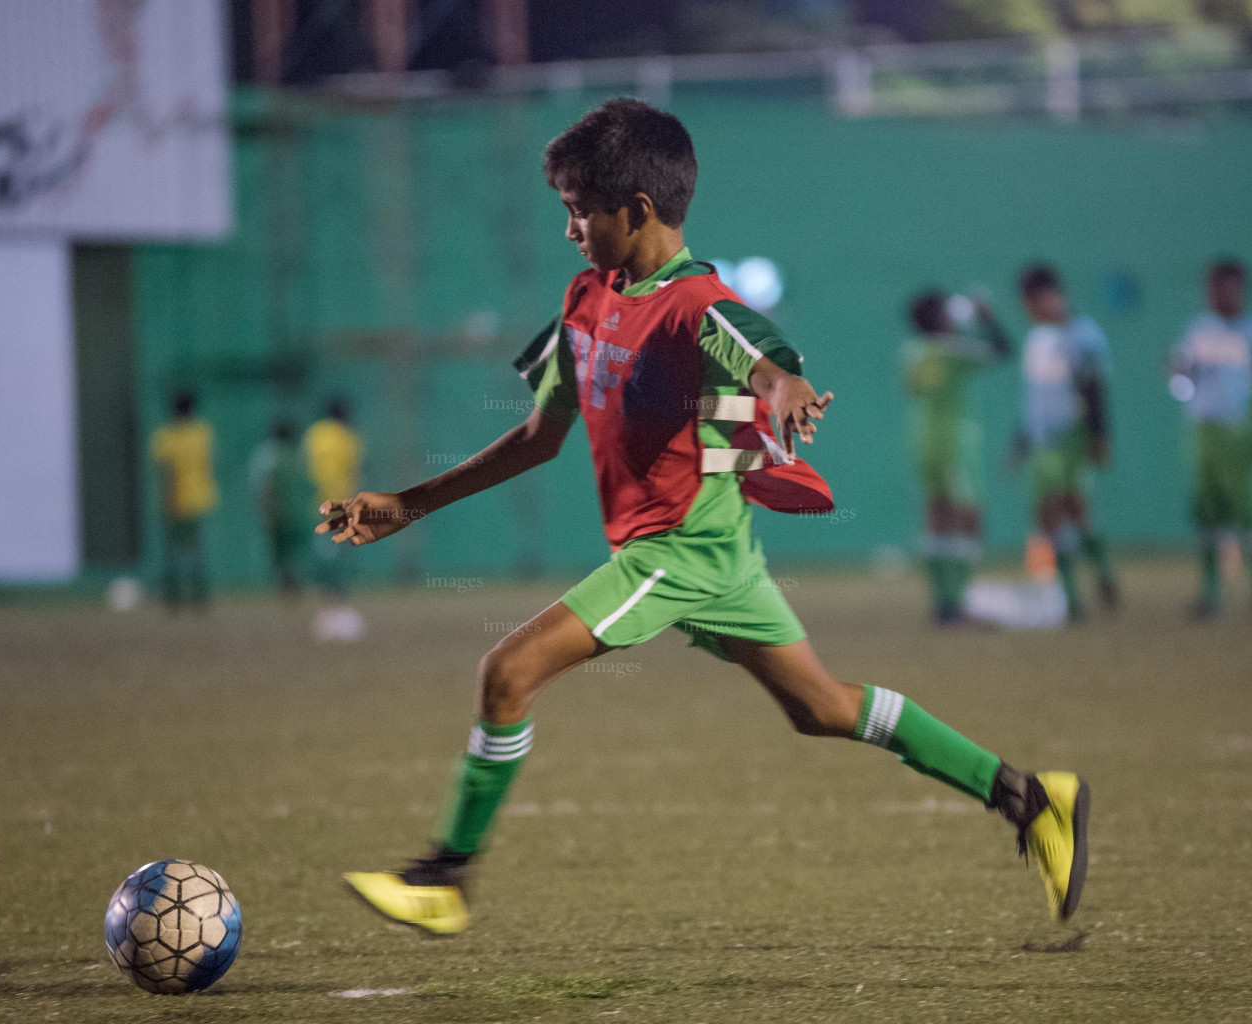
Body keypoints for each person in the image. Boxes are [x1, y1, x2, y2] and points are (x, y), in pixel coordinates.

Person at [320, 99, 1088, 935]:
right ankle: (1032, 797)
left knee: (506, 674)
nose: (571, 230)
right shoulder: (586, 298)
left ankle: (445, 876)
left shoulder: (696, 303)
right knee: (823, 709)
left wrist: (786, 387)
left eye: (580, 212)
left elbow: (761, 355)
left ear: (638, 211)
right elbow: (541, 438)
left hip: (677, 550)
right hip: (719, 556)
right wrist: (410, 502)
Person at [1171, 259, 1252, 621]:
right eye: (1214, 286)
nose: (1220, 293)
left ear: (1242, 289)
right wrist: (1177, 373)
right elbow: (1182, 385)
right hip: (1203, 434)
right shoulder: (1197, 332)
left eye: (1228, 286)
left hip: (1241, 433)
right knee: (1207, 515)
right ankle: (1211, 595)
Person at [902, 290, 1012, 624]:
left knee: (936, 517)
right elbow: (1003, 350)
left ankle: (943, 603)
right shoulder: (953, 352)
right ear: (939, 319)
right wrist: (985, 316)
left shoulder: (911, 352)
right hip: (955, 444)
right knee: (967, 517)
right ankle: (961, 601)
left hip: (923, 441)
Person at [1016, 264, 1118, 622]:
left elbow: (1095, 388)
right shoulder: (1037, 340)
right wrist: (1021, 440)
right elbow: (1033, 397)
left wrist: (1099, 435)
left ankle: (1099, 577)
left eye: (1031, 302)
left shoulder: (1084, 336)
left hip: (1072, 435)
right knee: (1049, 514)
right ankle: (1072, 597)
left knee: (1074, 507)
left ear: (1048, 296)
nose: (1030, 311)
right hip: (1044, 441)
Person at [304, 399, 365, 640]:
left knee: (323, 554)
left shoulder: (314, 434)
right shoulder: (350, 438)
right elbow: (355, 471)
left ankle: (326, 605)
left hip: (319, 504)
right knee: (342, 554)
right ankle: (340, 605)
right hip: (345, 505)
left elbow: (308, 467)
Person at [149, 391, 216, 610]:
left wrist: (168, 499)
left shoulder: (165, 436)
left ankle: (173, 597)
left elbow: (166, 472)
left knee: (173, 551)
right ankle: (199, 596)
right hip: (198, 498)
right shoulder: (202, 433)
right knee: (197, 550)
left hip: (175, 498)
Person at [249, 420, 306, 596]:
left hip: (279, 510)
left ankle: (285, 583)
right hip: (290, 510)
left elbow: (260, 486)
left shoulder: (265, 454)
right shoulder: (289, 455)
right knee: (288, 549)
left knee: (279, 550)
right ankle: (288, 582)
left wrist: (264, 508)